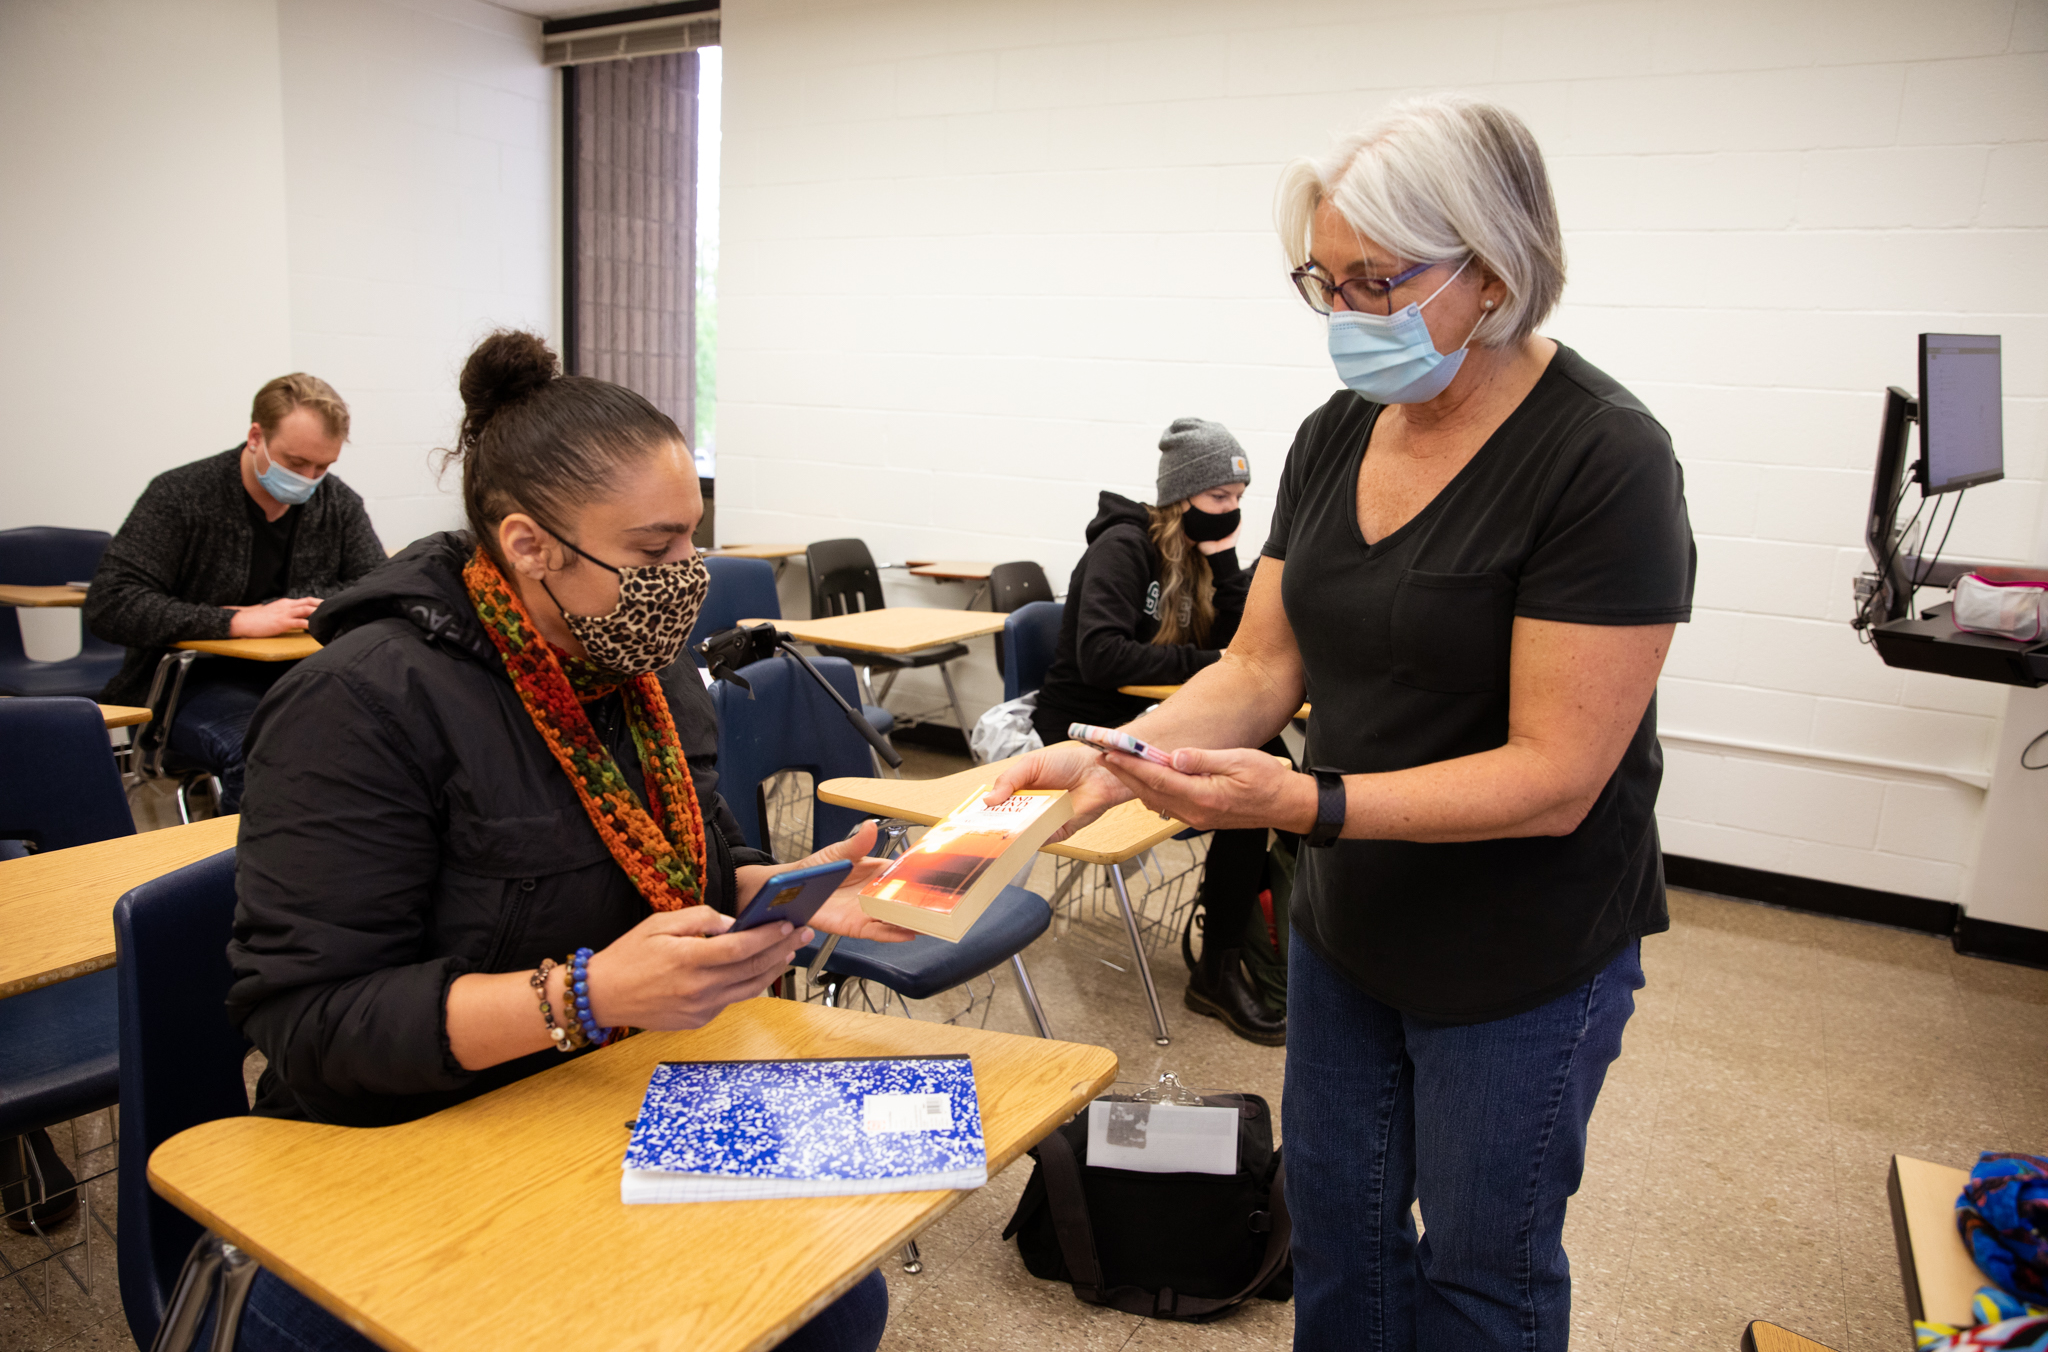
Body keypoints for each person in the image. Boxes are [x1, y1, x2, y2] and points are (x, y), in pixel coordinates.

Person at [992, 94, 1695, 1352]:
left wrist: (1308, 803)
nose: (1348, 318)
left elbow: (1555, 776)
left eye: (1380, 283)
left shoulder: (1602, 459)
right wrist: (1114, 755)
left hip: (1519, 945)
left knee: (1483, 1269)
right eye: (1326, 283)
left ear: (1491, 269)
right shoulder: (1331, 439)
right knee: (1339, 1230)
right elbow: (1261, 667)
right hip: (1352, 925)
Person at [219, 332, 905, 1352]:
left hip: (606, 1087)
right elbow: (314, 1027)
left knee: (833, 1307)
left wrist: (778, 892)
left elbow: (687, 863)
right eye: (651, 552)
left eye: (691, 547)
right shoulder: (359, 704)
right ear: (530, 544)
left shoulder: (639, 668)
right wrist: (584, 996)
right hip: (410, 1136)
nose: (688, 581)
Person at [1031, 418, 1286, 1046]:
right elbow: (1103, 657)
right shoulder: (1124, 547)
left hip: (1148, 721)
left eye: (1238, 502)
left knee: (1269, 761)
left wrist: (1225, 565)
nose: (1230, 513)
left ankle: (1243, 949)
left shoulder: (1197, 558)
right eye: (1219, 499)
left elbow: (1241, 644)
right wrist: (1216, 667)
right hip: (1083, 729)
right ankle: (1221, 965)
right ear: (1182, 495)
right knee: (1246, 799)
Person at [84, 373, 385, 811]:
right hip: (187, 685)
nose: (309, 478)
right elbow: (111, 603)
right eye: (296, 462)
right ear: (255, 437)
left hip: (300, 678)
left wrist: (297, 609)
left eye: (324, 467)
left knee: (382, 741)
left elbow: (374, 590)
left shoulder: (337, 504)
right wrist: (236, 621)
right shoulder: (181, 496)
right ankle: (237, 877)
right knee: (265, 753)